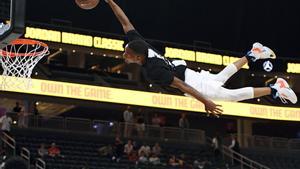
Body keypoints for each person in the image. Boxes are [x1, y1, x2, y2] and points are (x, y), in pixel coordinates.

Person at [104, 0, 297, 117]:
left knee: (232, 96)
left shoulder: (152, 71)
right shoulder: (139, 43)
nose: (123, 54)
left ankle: (275, 88)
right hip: (189, 73)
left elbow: (183, 86)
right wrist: (110, 2)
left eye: (126, 54)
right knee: (221, 78)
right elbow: (125, 22)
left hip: (193, 84)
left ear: (138, 57)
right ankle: (253, 53)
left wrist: (205, 101)